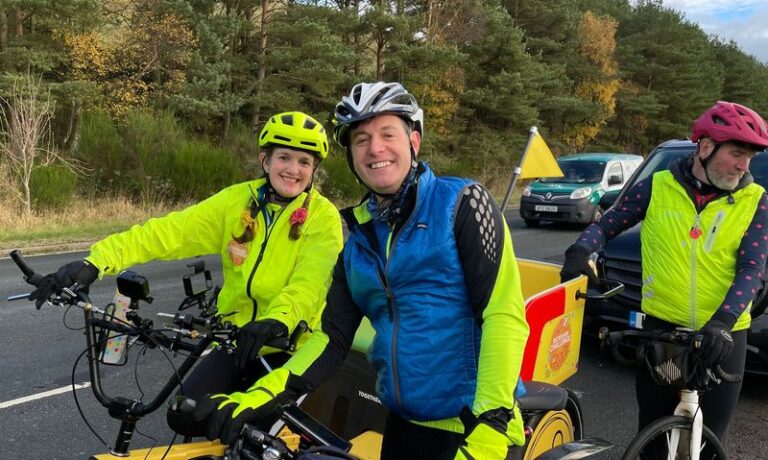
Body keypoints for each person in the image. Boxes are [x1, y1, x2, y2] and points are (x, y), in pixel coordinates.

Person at [191, 81, 530, 459]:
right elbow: (331, 337)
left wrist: (493, 422)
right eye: (361, 140)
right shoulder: (358, 242)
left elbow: (502, 314)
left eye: (388, 134)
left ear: (414, 142)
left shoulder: (463, 203)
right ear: (352, 157)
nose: (375, 149)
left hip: (474, 429)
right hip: (404, 426)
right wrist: (262, 394)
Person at [28, 111, 344, 436]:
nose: (293, 169)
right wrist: (96, 262)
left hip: (292, 343)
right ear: (265, 160)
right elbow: (169, 232)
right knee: (184, 415)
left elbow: (311, 282)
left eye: (304, 162)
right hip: (236, 339)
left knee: (250, 433)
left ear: (313, 170)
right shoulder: (238, 202)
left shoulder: (322, 218)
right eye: (285, 157)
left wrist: (277, 321)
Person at [560, 101, 768, 451]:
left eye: (749, 156)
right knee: (654, 435)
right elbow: (611, 221)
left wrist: (723, 320)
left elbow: (752, 267)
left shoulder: (755, 200)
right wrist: (581, 250)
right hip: (662, 329)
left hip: (724, 334)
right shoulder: (658, 185)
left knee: (713, 439)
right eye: (736, 153)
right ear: (705, 147)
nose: (743, 166)